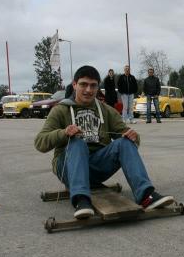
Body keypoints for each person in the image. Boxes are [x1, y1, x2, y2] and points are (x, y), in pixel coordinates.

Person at [34, 65, 174, 219]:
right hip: (68, 168)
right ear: (74, 85)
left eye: (93, 86)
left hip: (97, 168)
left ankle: (146, 195)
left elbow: (129, 137)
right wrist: (63, 133)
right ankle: (81, 200)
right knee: (78, 143)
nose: (88, 90)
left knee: (124, 142)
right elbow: (40, 143)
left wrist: (134, 137)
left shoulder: (106, 110)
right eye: (83, 84)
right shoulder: (61, 110)